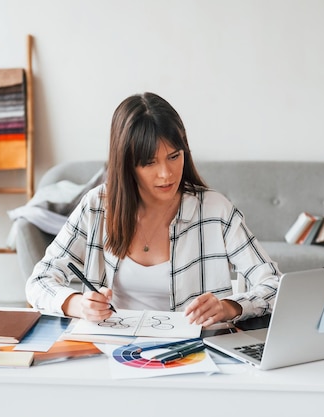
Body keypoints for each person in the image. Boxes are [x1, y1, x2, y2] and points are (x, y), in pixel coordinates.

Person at [26, 92, 280, 327]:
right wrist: (78, 305)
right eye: (149, 162)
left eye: (174, 156)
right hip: (114, 350)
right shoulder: (97, 206)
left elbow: (274, 283)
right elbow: (39, 281)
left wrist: (230, 307)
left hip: (194, 354)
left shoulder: (215, 211)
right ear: (126, 164)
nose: (166, 174)